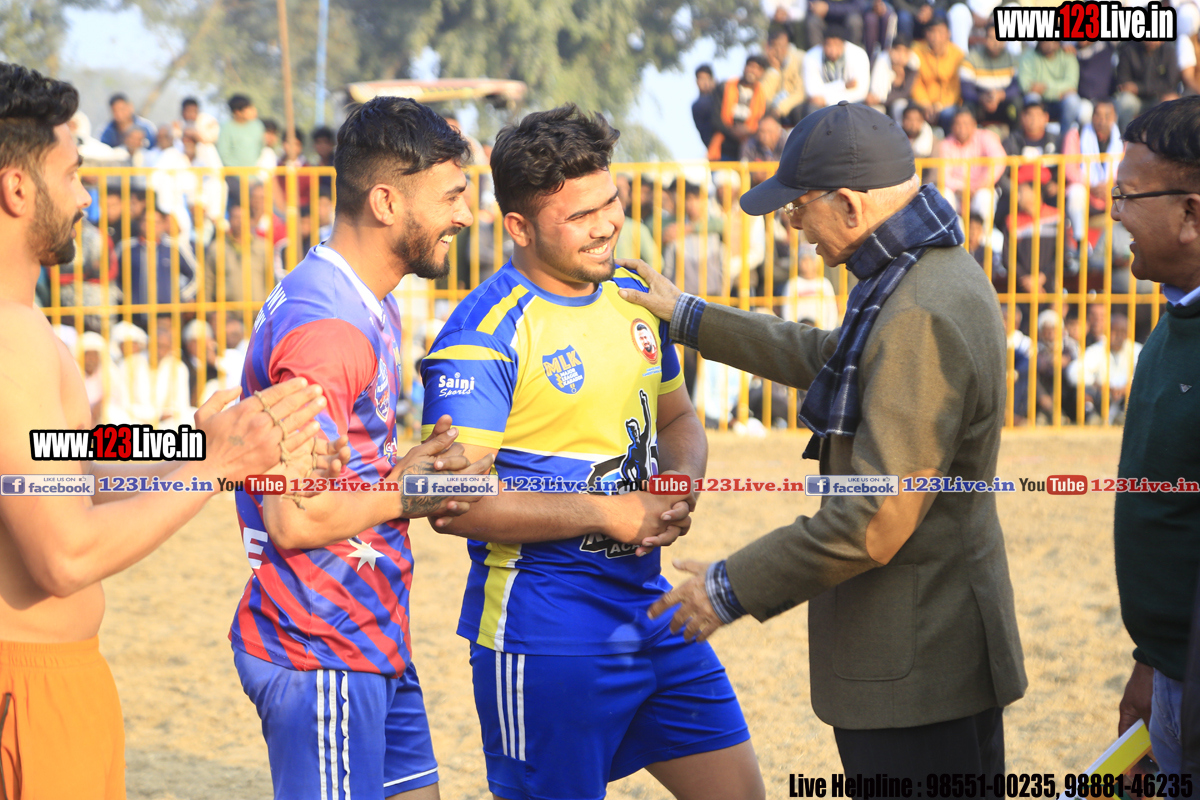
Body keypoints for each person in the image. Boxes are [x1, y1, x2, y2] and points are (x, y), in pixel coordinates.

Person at [620, 100, 1027, 776]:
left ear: (849, 204)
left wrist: (726, 588)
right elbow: (830, 356)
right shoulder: (918, 271)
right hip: (927, 655)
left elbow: (874, 519)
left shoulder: (918, 310)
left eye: (797, 208)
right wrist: (688, 316)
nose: (792, 226)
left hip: (917, 669)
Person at [0, 61, 335, 799]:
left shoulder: (26, 330)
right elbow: (64, 555)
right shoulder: (11, 339)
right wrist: (218, 465)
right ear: (17, 188)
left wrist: (198, 441)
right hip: (27, 693)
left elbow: (74, 460)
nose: (86, 197)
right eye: (72, 173)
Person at [420, 104, 764, 800]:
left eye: (610, 201)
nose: (607, 224)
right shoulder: (485, 332)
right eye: (580, 215)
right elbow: (450, 504)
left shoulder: (635, 298)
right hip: (545, 632)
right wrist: (607, 513)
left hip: (654, 612)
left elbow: (679, 419)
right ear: (518, 227)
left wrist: (679, 485)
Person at [227, 97, 497, 800]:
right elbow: (294, 517)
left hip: (366, 629)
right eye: (451, 196)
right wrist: (410, 492)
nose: (466, 215)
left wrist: (398, 469)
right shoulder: (331, 328)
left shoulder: (362, 298)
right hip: (321, 644)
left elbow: (330, 467)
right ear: (385, 202)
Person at [1109, 96, 1200, 774]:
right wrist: (1149, 663)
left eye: (1128, 196)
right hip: (1170, 676)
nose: (1115, 214)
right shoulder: (1171, 326)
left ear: (1192, 214)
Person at [709, 56, 770, 162]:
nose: (753, 71)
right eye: (751, 66)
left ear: (762, 73)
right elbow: (715, 120)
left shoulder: (763, 96)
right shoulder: (724, 87)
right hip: (723, 148)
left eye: (758, 69)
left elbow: (761, 124)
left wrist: (748, 132)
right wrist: (733, 132)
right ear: (744, 67)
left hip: (750, 151)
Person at [1114, 40, 1182, 133]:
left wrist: (1138, 88)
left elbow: (1170, 83)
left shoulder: (1169, 50)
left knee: (1172, 100)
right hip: (1136, 99)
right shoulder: (1129, 49)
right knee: (1124, 101)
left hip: (1158, 98)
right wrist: (1138, 89)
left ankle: (1164, 139)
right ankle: (1126, 137)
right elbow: (1124, 83)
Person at [802, 25, 872, 113]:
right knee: (812, 108)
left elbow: (861, 92)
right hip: (823, 107)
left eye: (836, 45)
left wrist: (827, 100)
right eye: (829, 45)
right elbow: (813, 92)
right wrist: (844, 85)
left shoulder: (859, 54)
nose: (833, 50)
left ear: (844, 44)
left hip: (851, 104)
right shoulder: (811, 56)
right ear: (822, 44)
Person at [911, 14, 964, 131]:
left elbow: (956, 87)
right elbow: (916, 83)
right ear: (926, 33)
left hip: (948, 104)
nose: (935, 37)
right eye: (932, 32)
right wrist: (925, 104)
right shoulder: (916, 51)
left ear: (948, 34)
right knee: (911, 114)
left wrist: (940, 106)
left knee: (948, 114)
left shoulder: (958, 55)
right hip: (923, 103)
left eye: (940, 32)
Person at [1017, 41, 1081, 129]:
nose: (1049, 45)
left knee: (1073, 100)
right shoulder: (1028, 56)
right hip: (1040, 102)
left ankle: (1065, 135)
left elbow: (1071, 85)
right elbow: (1026, 86)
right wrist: (1060, 90)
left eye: (1053, 41)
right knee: (1032, 97)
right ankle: (1035, 134)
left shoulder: (1068, 55)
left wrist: (1045, 87)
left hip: (1060, 102)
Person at [763, 27, 808, 125]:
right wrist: (774, 70)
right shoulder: (765, 63)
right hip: (774, 108)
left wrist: (780, 109)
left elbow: (801, 93)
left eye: (782, 46)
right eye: (775, 46)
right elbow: (764, 96)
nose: (779, 50)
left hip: (793, 107)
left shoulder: (801, 59)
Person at [217, 94, 266, 169]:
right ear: (238, 112)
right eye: (249, 109)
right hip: (232, 173)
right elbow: (224, 153)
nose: (253, 111)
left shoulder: (257, 125)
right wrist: (237, 171)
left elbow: (260, 148)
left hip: (253, 171)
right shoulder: (226, 128)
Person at [692, 64, 719, 149]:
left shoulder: (720, 96)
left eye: (707, 79)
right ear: (696, 81)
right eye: (701, 79)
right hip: (715, 147)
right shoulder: (698, 105)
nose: (705, 83)